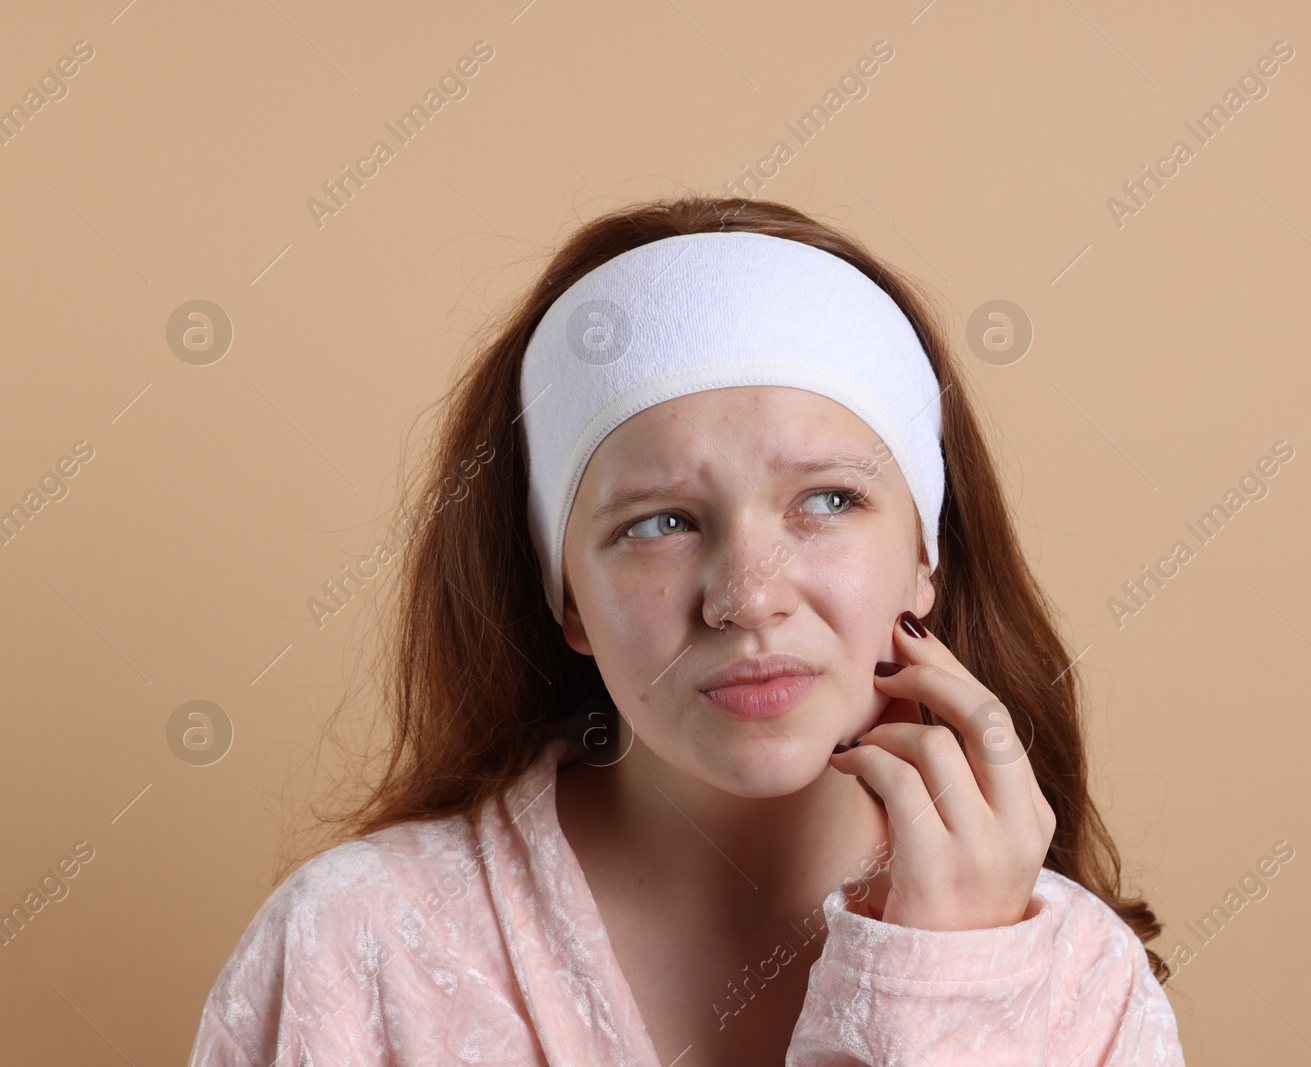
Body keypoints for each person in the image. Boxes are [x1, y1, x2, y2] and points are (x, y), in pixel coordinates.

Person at [185, 195, 1185, 1066]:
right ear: (565, 594)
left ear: (926, 550)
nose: (746, 598)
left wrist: (950, 988)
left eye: (828, 500)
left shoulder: (1073, 978)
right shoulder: (353, 945)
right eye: (658, 522)